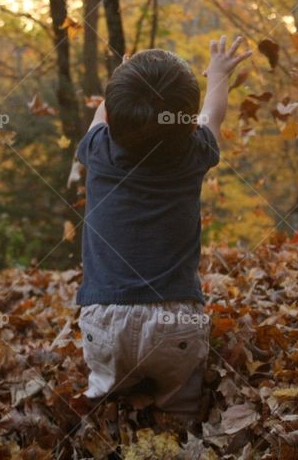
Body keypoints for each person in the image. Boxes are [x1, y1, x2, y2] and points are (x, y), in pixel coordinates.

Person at [74, 36, 251, 418]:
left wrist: (124, 75)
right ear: (186, 123)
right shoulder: (194, 153)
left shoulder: (98, 151)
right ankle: (178, 422)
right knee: (180, 402)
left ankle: (107, 410)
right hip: (175, 323)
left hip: (105, 318)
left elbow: (103, 113)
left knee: (109, 403)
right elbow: (213, 115)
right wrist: (219, 73)